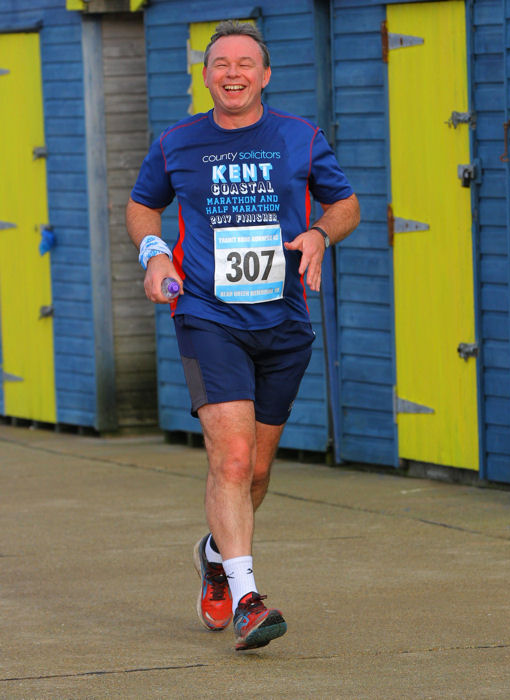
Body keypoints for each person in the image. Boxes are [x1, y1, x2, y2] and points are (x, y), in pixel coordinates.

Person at [126, 20, 360, 651]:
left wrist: (318, 234)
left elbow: (345, 204)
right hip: (207, 316)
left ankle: (214, 555)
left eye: (244, 63)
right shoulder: (178, 143)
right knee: (229, 460)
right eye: (220, 63)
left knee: (254, 474)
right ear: (205, 75)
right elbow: (143, 203)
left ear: (264, 75)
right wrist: (155, 254)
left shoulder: (300, 138)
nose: (232, 73)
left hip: (283, 323)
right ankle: (248, 600)